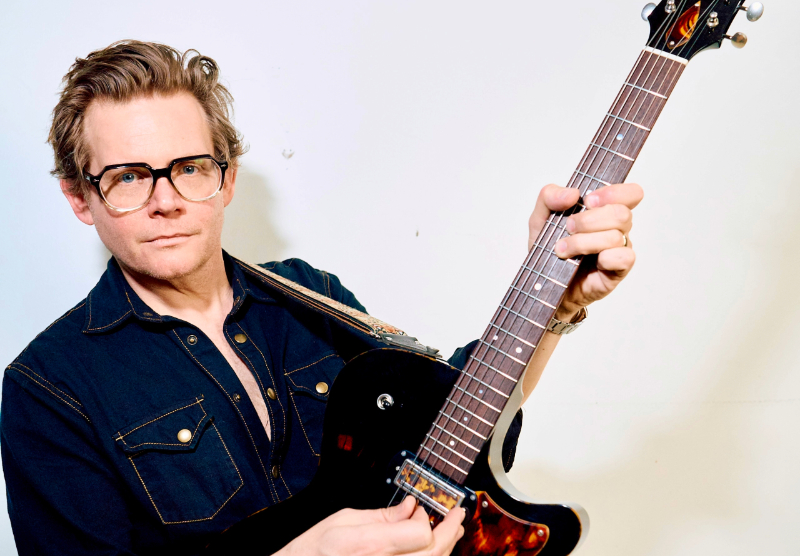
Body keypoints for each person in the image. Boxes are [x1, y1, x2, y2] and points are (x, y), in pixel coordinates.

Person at [0, 41, 642, 556]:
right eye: (129, 177)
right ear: (80, 198)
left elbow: (452, 432)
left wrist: (552, 304)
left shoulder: (311, 295)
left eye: (190, 167)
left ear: (227, 179)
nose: (166, 201)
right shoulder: (49, 388)